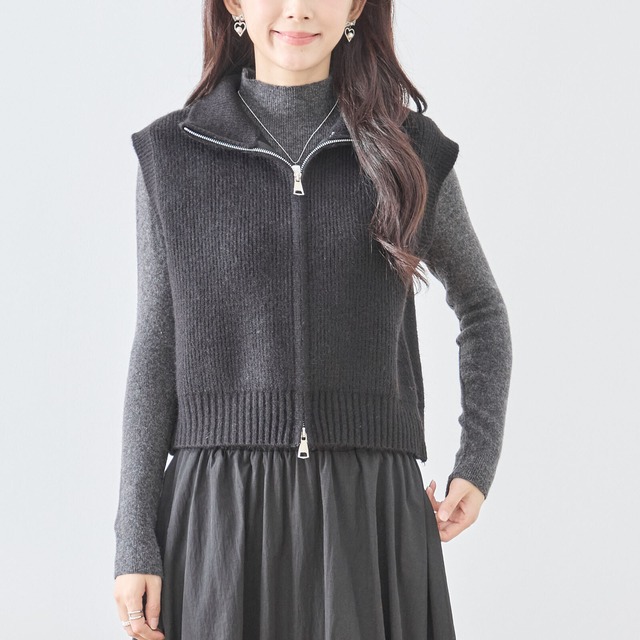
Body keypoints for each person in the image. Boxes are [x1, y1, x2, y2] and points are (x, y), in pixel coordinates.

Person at [112, 1, 513, 638]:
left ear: (354, 6)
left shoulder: (408, 151)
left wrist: (477, 461)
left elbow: (482, 308)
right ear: (234, 4)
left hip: (369, 510)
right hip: (219, 513)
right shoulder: (172, 154)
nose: (298, 9)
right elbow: (157, 347)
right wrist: (134, 535)